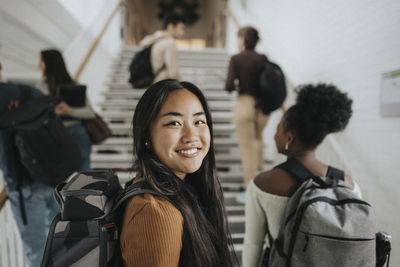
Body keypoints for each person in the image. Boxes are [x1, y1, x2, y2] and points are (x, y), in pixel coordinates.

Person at [242, 84, 362, 267]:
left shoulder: (262, 184)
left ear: (289, 138)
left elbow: (253, 243)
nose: (275, 135)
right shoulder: (349, 184)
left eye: (278, 129)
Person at [120, 79, 237, 267]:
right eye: (174, 123)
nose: (191, 136)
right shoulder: (156, 212)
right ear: (146, 136)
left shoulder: (183, 191)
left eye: (199, 121)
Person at [0, 62, 59, 267]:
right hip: (53, 178)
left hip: (22, 185)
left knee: (36, 250)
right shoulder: (30, 92)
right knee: (60, 242)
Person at [225, 26, 269, 202]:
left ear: (243, 39)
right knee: (258, 140)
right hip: (262, 108)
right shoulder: (263, 59)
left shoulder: (236, 59)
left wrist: (234, 84)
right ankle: (262, 180)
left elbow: (229, 85)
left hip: (244, 104)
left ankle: (251, 193)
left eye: (238, 38)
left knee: (247, 149)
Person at [38, 49, 94, 171]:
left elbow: (90, 113)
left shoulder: (74, 85)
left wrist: (69, 110)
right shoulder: (41, 86)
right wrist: (54, 112)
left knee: (81, 174)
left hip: (70, 132)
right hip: (57, 132)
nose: (39, 65)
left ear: (50, 63)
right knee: (72, 175)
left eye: (41, 61)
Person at [139, 13, 185, 82]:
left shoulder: (155, 40)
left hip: (150, 81)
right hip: (161, 84)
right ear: (170, 26)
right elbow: (173, 72)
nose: (183, 32)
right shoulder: (169, 43)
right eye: (181, 28)